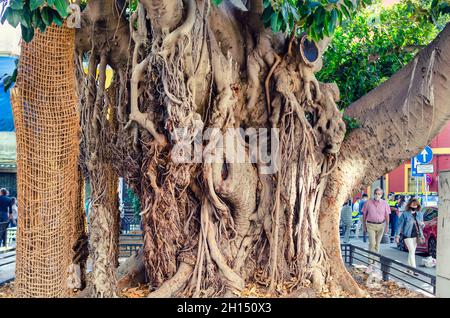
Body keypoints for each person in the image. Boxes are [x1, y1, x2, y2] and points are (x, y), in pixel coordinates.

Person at [395, 198, 425, 275]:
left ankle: (408, 269)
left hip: (416, 235)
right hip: (407, 235)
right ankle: (414, 269)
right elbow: (399, 225)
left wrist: (422, 224)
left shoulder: (420, 214)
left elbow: (421, 225)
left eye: (415, 204)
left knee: (412, 252)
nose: (414, 205)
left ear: (418, 205)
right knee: (411, 251)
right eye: (412, 204)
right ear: (409, 205)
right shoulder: (405, 214)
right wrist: (397, 236)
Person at [362, 187, 390, 269]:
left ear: (381, 195)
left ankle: (375, 261)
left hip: (381, 225)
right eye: (376, 193)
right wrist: (364, 225)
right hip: (370, 225)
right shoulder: (368, 202)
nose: (377, 195)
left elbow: (387, 215)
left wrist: (387, 225)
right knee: (372, 243)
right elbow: (364, 214)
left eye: (379, 194)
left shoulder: (385, 203)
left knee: (377, 244)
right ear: (373, 194)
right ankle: (370, 262)